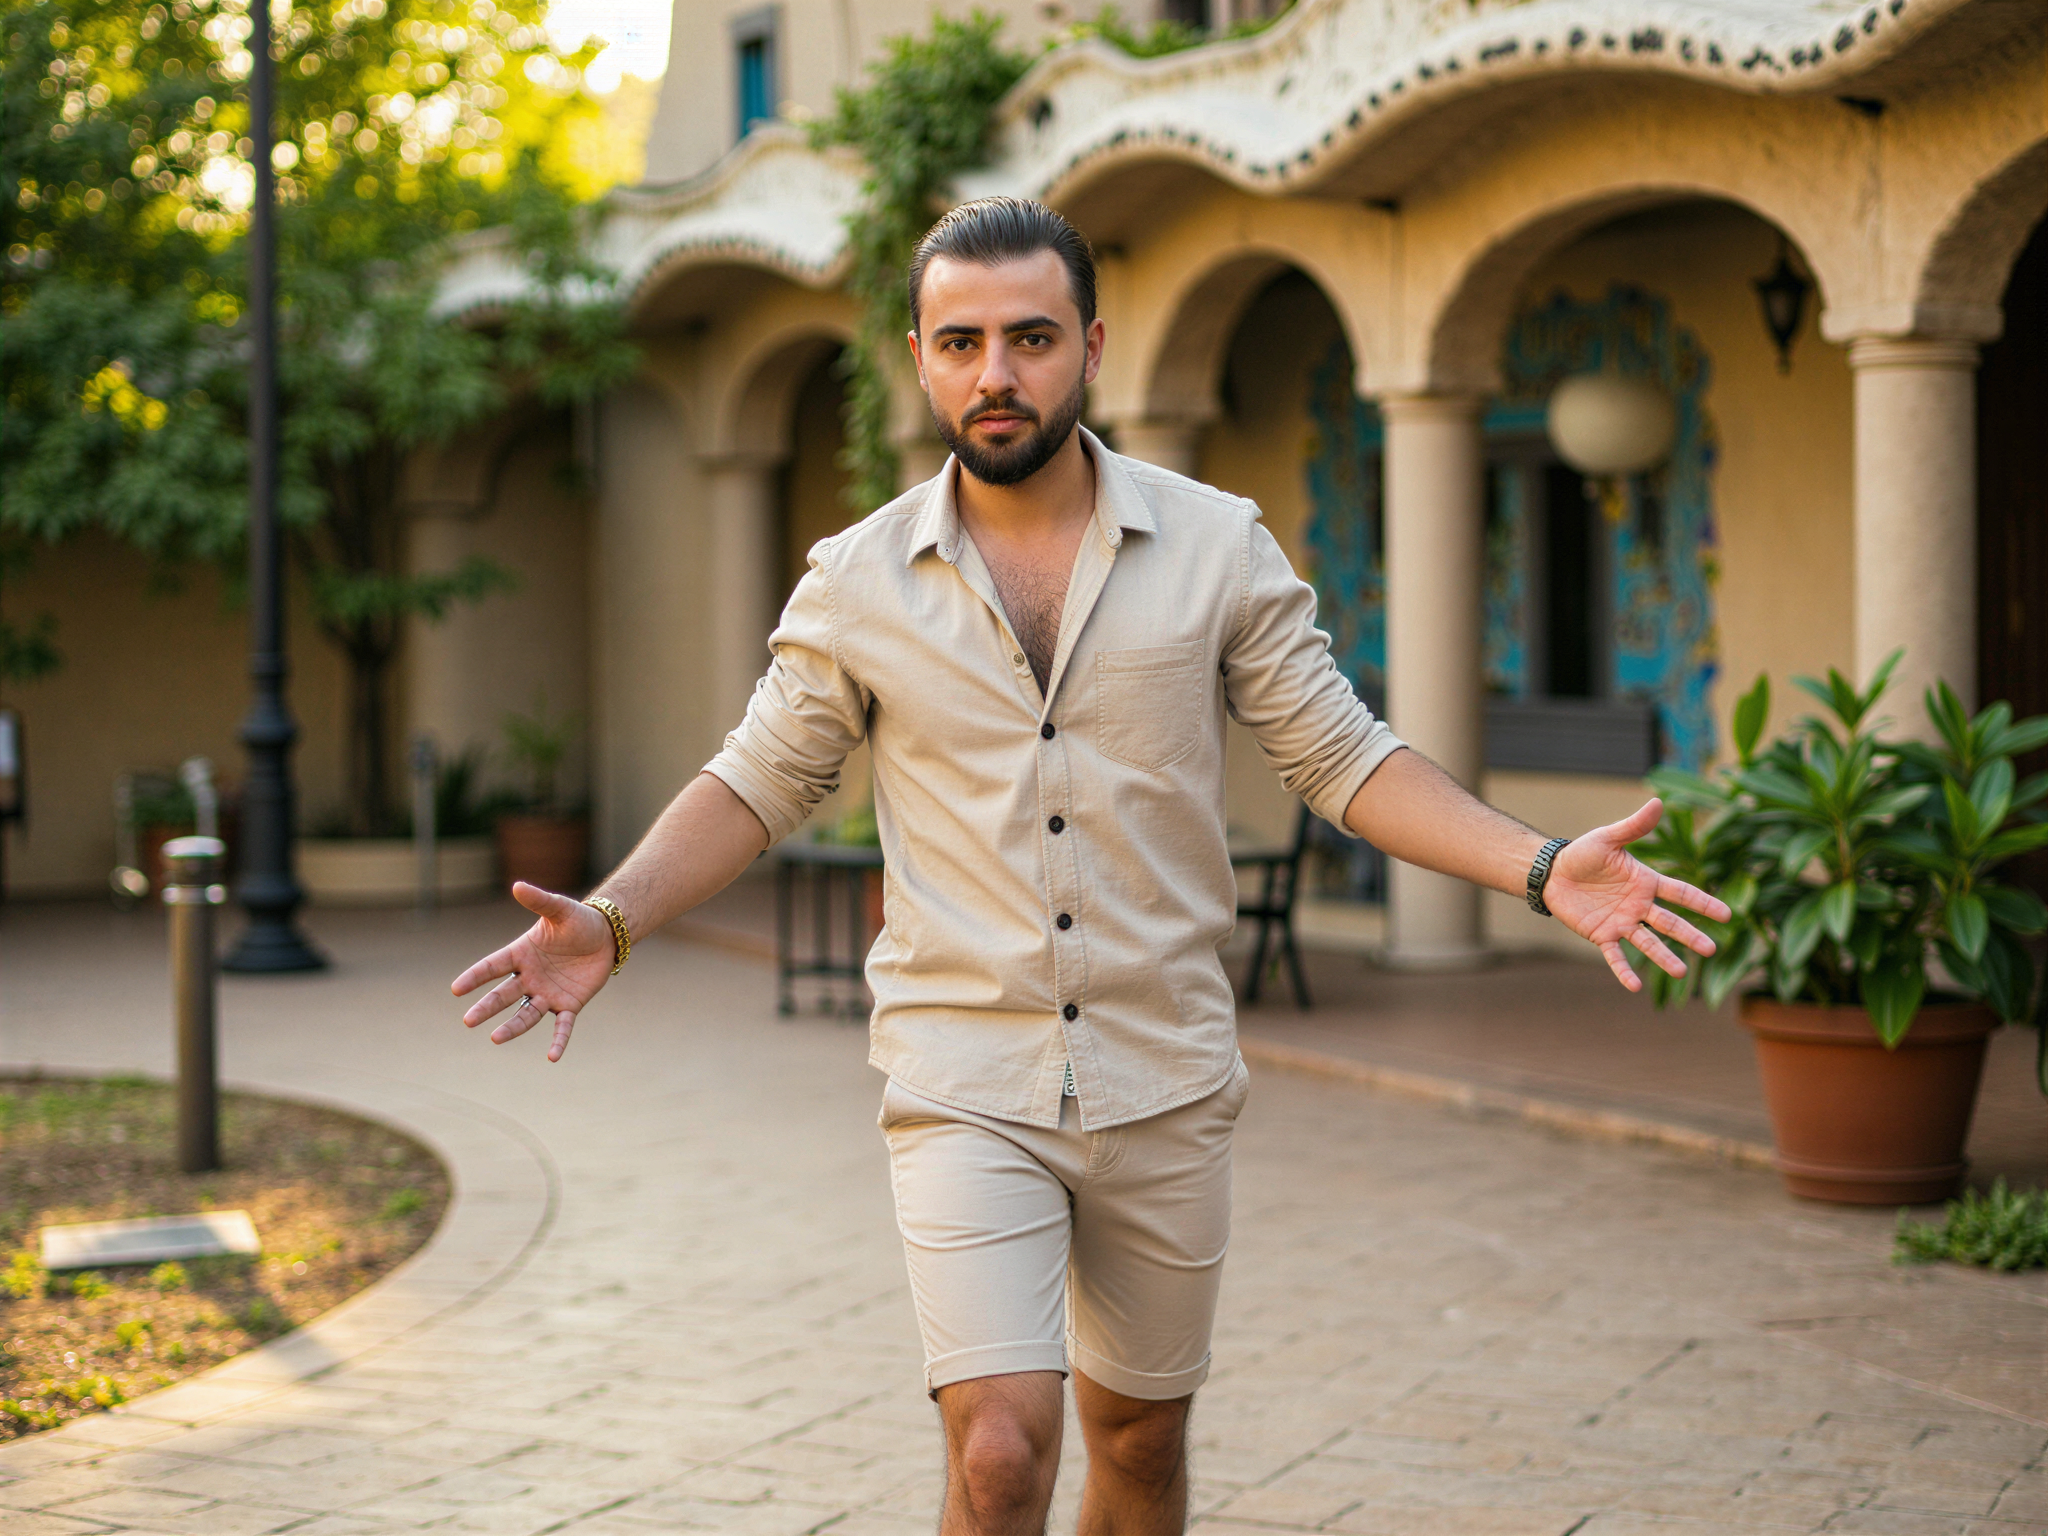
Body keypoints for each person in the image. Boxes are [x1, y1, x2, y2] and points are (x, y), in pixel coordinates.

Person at [451, 197, 1729, 1534]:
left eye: (1030, 337)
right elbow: (760, 777)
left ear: (1091, 345)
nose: (995, 373)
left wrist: (1540, 869)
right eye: (961, 342)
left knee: (1140, 1449)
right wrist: (615, 917)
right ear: (921, 356)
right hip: (963, 1075)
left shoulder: (1217, 544)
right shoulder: (859, 578)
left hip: (1162, 1072)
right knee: (1001, 1453)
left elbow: (1344, 760)